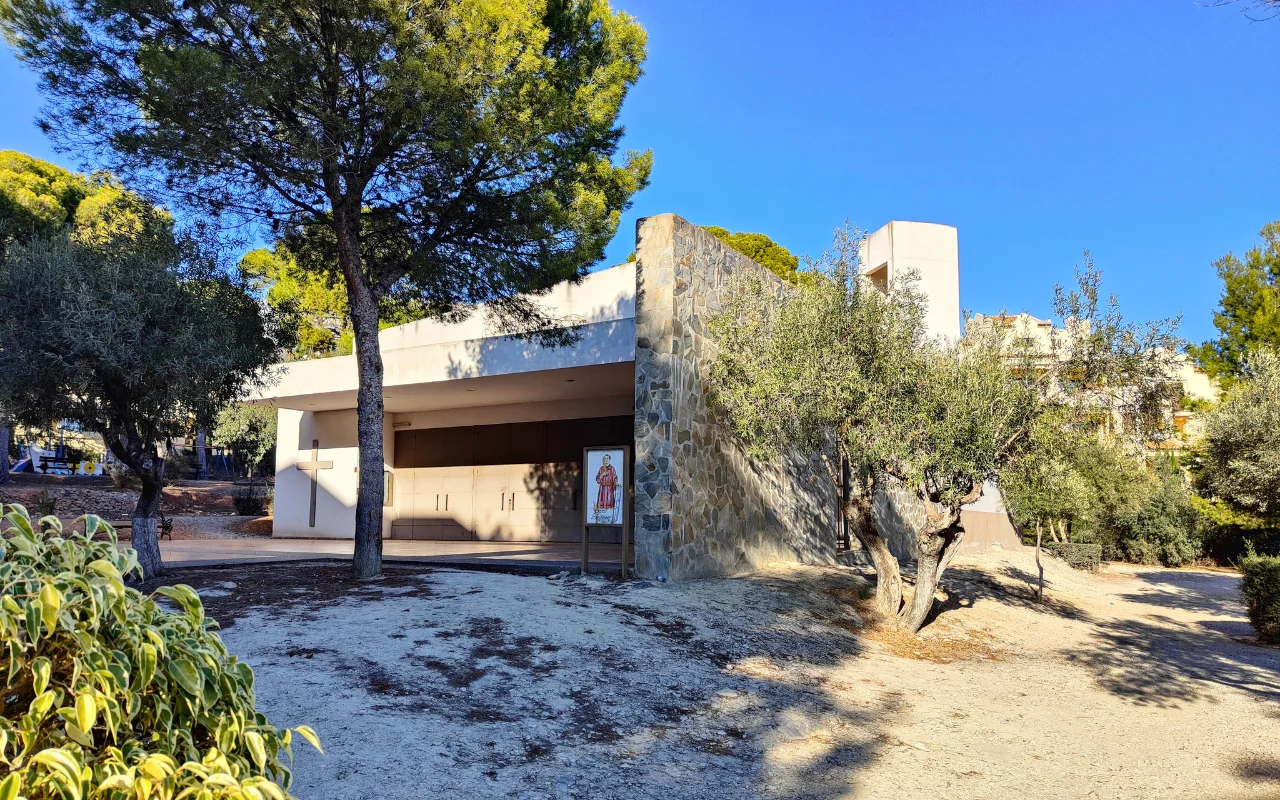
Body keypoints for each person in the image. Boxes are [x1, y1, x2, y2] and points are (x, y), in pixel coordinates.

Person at [594, 454, 619, 524]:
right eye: (604, 459)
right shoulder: (601, 469)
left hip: (609, 489)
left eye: (607, 459)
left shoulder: (612, 469)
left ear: (609, 460)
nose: (606, 460)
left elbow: (615, 477)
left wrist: (616, 483)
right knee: (601, 503)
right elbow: (597, 479)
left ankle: (609, 517)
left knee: (609, 503)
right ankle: (601, 518)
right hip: (602, 489)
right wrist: (602, 475)